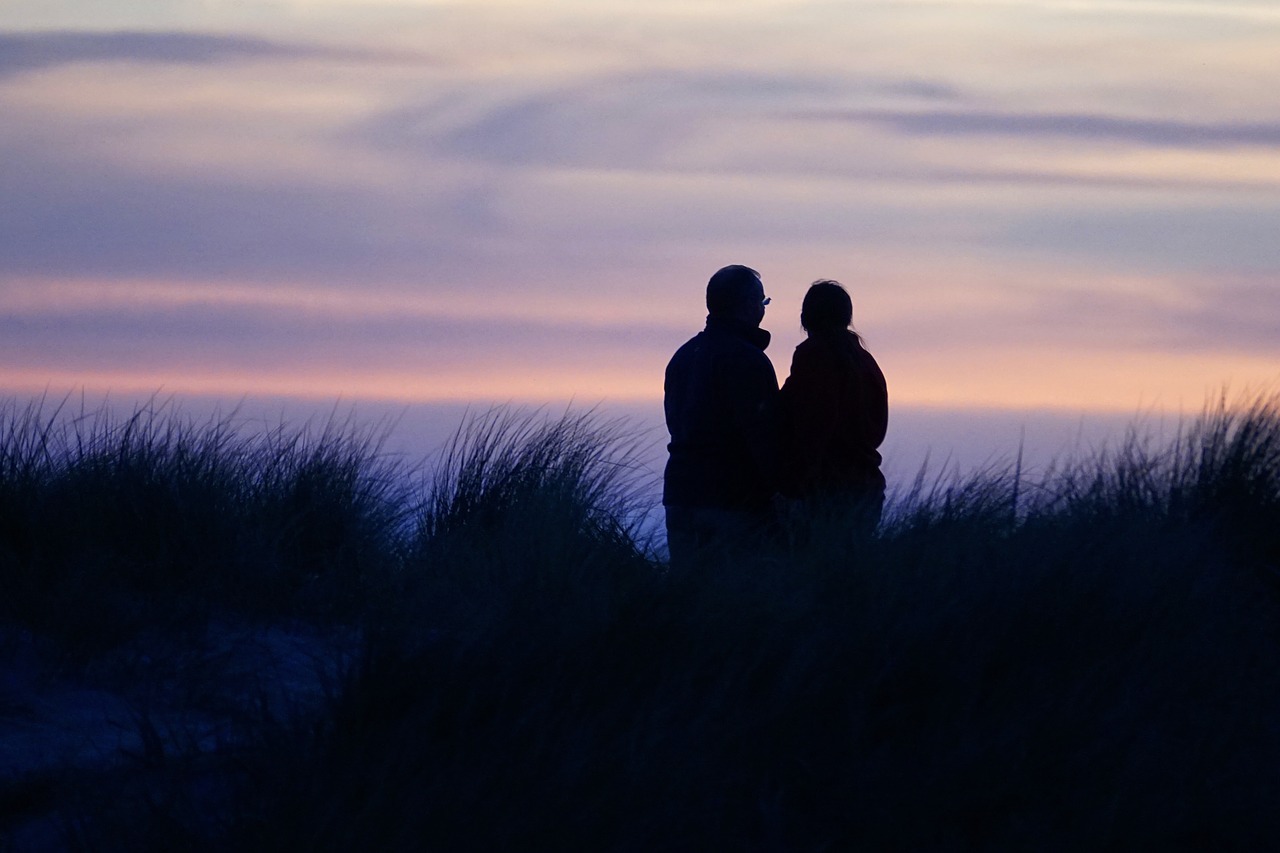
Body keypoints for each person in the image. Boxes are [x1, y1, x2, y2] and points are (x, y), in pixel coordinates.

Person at [663, 265, 780, 567]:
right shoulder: (749, 360)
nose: (763, 310)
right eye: (763, 302)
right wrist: (782, 494)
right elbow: (763, 437)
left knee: (690, 600)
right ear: (747, 305)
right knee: (738, 602)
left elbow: (675, 423)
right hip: (732, 501)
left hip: (681, 495)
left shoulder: (684, 355)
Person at [778, 279, 888, 539]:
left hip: (824, 491)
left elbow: (812, 426)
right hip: (866, 487)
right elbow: (876, 427)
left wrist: (792, 484)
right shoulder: (865, 361)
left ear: (807, 317)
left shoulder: (813, 357)